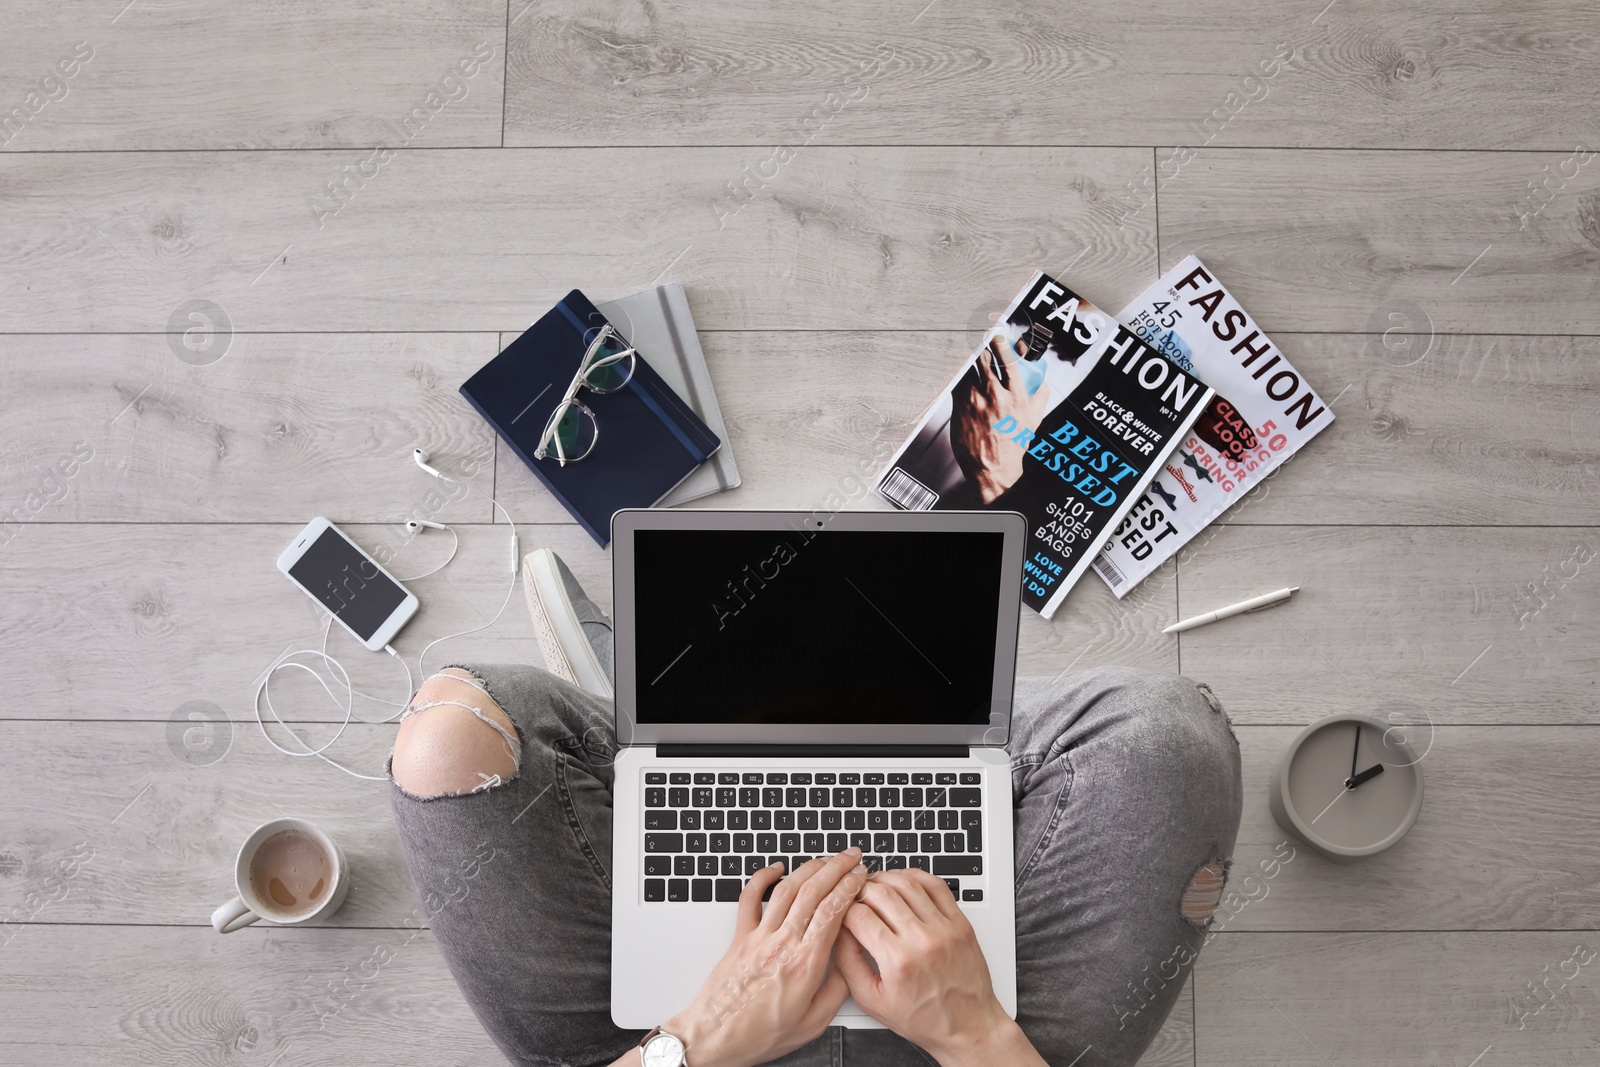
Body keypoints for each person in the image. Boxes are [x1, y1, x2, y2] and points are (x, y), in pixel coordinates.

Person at [388, 551, 1242, 1067]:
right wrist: (973, 1030)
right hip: (973, 1048)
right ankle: (907, 724)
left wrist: (700, 1036)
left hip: (668, 1042)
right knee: (1169, 737)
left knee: (450, 737)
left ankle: (666, 720)